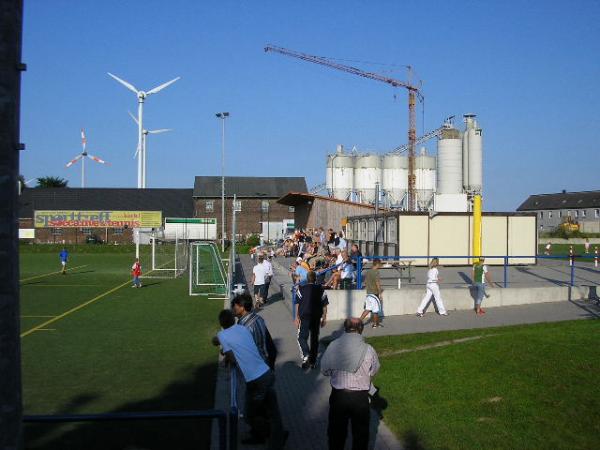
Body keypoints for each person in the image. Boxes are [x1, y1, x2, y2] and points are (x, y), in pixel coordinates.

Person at [213, 310, 287, 448]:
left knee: (249, 415)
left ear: (221, 324)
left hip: (255, 381)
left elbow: (232, 358)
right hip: (267, 372)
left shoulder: (222, 335)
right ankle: (276, 435)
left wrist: (225, 352)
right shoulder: (242, 328)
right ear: (233, 319)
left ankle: (274, 435)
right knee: (272, 411)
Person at [321, 318, 380, 450]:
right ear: (361, 329)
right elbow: (374, 370)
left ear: (345, 328)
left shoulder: (333, 346)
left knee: (336, 434)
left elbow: (324, 370)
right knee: (361, 435)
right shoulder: (369, 349)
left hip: (338, 397)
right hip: (361, 399)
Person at [232, 294, 277, 370]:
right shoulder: (258, 318)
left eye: (234, 306)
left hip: (257, 368)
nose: (232, 308)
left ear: (242, 307)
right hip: (267, 363)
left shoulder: (244, 327)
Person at [295, 271, 328, 370]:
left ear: (307, 279)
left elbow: (297, 303)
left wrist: (296, 317)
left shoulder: (301, 289)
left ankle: (306, 355)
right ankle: (313, 361)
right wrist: (324, 318)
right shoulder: (321, 290)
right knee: (314, 339)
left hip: (304, 316)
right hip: (316, 317)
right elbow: (325, 305)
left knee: (302, 338)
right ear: (315, 279)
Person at [361, 259, 383, 327]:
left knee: (368, 309)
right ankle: (375, 324)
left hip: (368, 294)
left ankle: (358, 322)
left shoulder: (368, 272)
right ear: (377, 264)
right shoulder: (376, 272)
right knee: (375, 310)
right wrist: (380, 293)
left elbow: (365, 282)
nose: (380, 266)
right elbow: (377, 283)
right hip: (374, 294)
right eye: (380, 264)